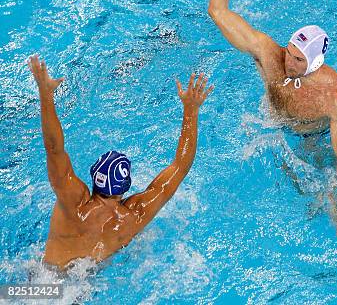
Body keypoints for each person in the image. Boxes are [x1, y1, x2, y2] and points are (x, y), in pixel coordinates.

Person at [207, 0, 337, 231]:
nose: (288, 62)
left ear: (316, 63)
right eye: (289, 52)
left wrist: (334, 190)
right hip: (272, 125)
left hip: (314, 137)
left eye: (299, 60)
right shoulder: (269, 54)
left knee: (324, 202)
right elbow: (218, 12)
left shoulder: (335, 100)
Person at [28, 55, 213, 269]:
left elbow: (54, 149)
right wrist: (191, 110)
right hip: (83, 288)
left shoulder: (74, 204)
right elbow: (180, 167)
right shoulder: (133, 217)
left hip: (45, 280)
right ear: (125, 187)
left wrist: (46, 93)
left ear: (95, 179)